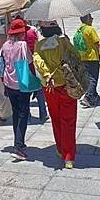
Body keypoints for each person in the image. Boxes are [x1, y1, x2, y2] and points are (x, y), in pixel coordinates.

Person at [33, 21, 78, 169]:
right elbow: (76, 56)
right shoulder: (63, 41)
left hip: (49, 87)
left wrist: (47, 74)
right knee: (69, 120)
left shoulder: (39, 45)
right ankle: (69, 156)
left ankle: (60, 148)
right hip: (66, 84)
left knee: (56, 118)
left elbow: (37, 61)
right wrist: (68, 43)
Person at [0, 18, 33, 160]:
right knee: (23, 113)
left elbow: (2, 62)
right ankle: (18, 146)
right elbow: (30, 61)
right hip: (21, 82)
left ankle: (18, 141)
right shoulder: (23, 45)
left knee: (16, 113)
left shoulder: (5, 45)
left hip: (8, 82)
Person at [74, 14, 100, 108]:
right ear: (87, 19)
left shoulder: (79, 30)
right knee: (93, 78)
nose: (92, 19)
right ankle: (88, 98)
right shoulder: (90, 29)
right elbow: (97, 43)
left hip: (82, 57)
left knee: (88, 78)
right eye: (91, 17)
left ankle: (94, 95)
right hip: (92, 57)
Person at [25, 21, 48, 123]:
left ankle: (28, 116)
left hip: (23, 66)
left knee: (26, 92)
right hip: (34, 62)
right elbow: (40, 43)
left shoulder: (16, 36)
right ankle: (43, 114)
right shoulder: (33, 31)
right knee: (39, 91)